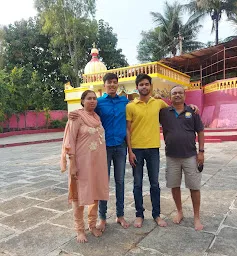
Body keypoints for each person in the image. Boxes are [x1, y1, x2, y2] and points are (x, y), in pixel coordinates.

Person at [69, 73, 130, 231]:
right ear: (104, 85)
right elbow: (83, 113)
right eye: (109, 82)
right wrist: (70, 114)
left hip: (120, 146)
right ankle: (102, 218)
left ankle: (120, 215)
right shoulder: (99, 103)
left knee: (120, 181)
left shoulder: (125, 101)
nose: (112, 85)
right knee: (102, 182)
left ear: (117, 84)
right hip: (104, 149)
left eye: (114, 82)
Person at [61, 90, 109, 243]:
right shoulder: (76, 117)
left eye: (95, 98)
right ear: (82, 101)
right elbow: (70, 142)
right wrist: (73, 164)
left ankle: (92, 225)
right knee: (79, 197)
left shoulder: (97, 117)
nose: (93, 101)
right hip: (81, 164)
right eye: (89, 98)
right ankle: (79, 229)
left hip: (97, 164)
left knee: (94, 195)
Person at [126, 73, 169, 228]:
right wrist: (129, 151)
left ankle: (156, 214)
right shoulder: (130, 106)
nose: (144, 87)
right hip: (136, 149)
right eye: (141, 84)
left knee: (155, 183)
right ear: (137, 87)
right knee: (137, 183)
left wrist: (191, 107)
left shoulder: (158, 103)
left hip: (153, 149)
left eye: (146, 84)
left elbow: (174, 110)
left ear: (150, 86)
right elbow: (128, 130)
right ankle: (139, 214)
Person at [159, 85, 204, 231]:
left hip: (190, 155)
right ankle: (179, 211)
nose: (177, 95)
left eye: (180, 93)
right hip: (172, 156)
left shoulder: (192, 111)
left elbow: (201, 131)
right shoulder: (164, 112)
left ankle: (196, 217)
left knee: (194, 187)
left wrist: (201, 151)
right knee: (174, 185)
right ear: (170, 97)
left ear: (185, 95)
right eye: (174, 93)